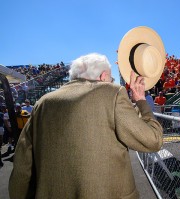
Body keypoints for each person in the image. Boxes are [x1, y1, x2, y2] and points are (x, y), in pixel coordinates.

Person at [9, 53, 163, 199]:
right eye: (111, 78)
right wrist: (141, 101)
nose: (112, 81)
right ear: (103, 77)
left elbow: (22, 168)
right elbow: (153, 139)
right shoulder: (112, 92)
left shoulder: (42, 103)